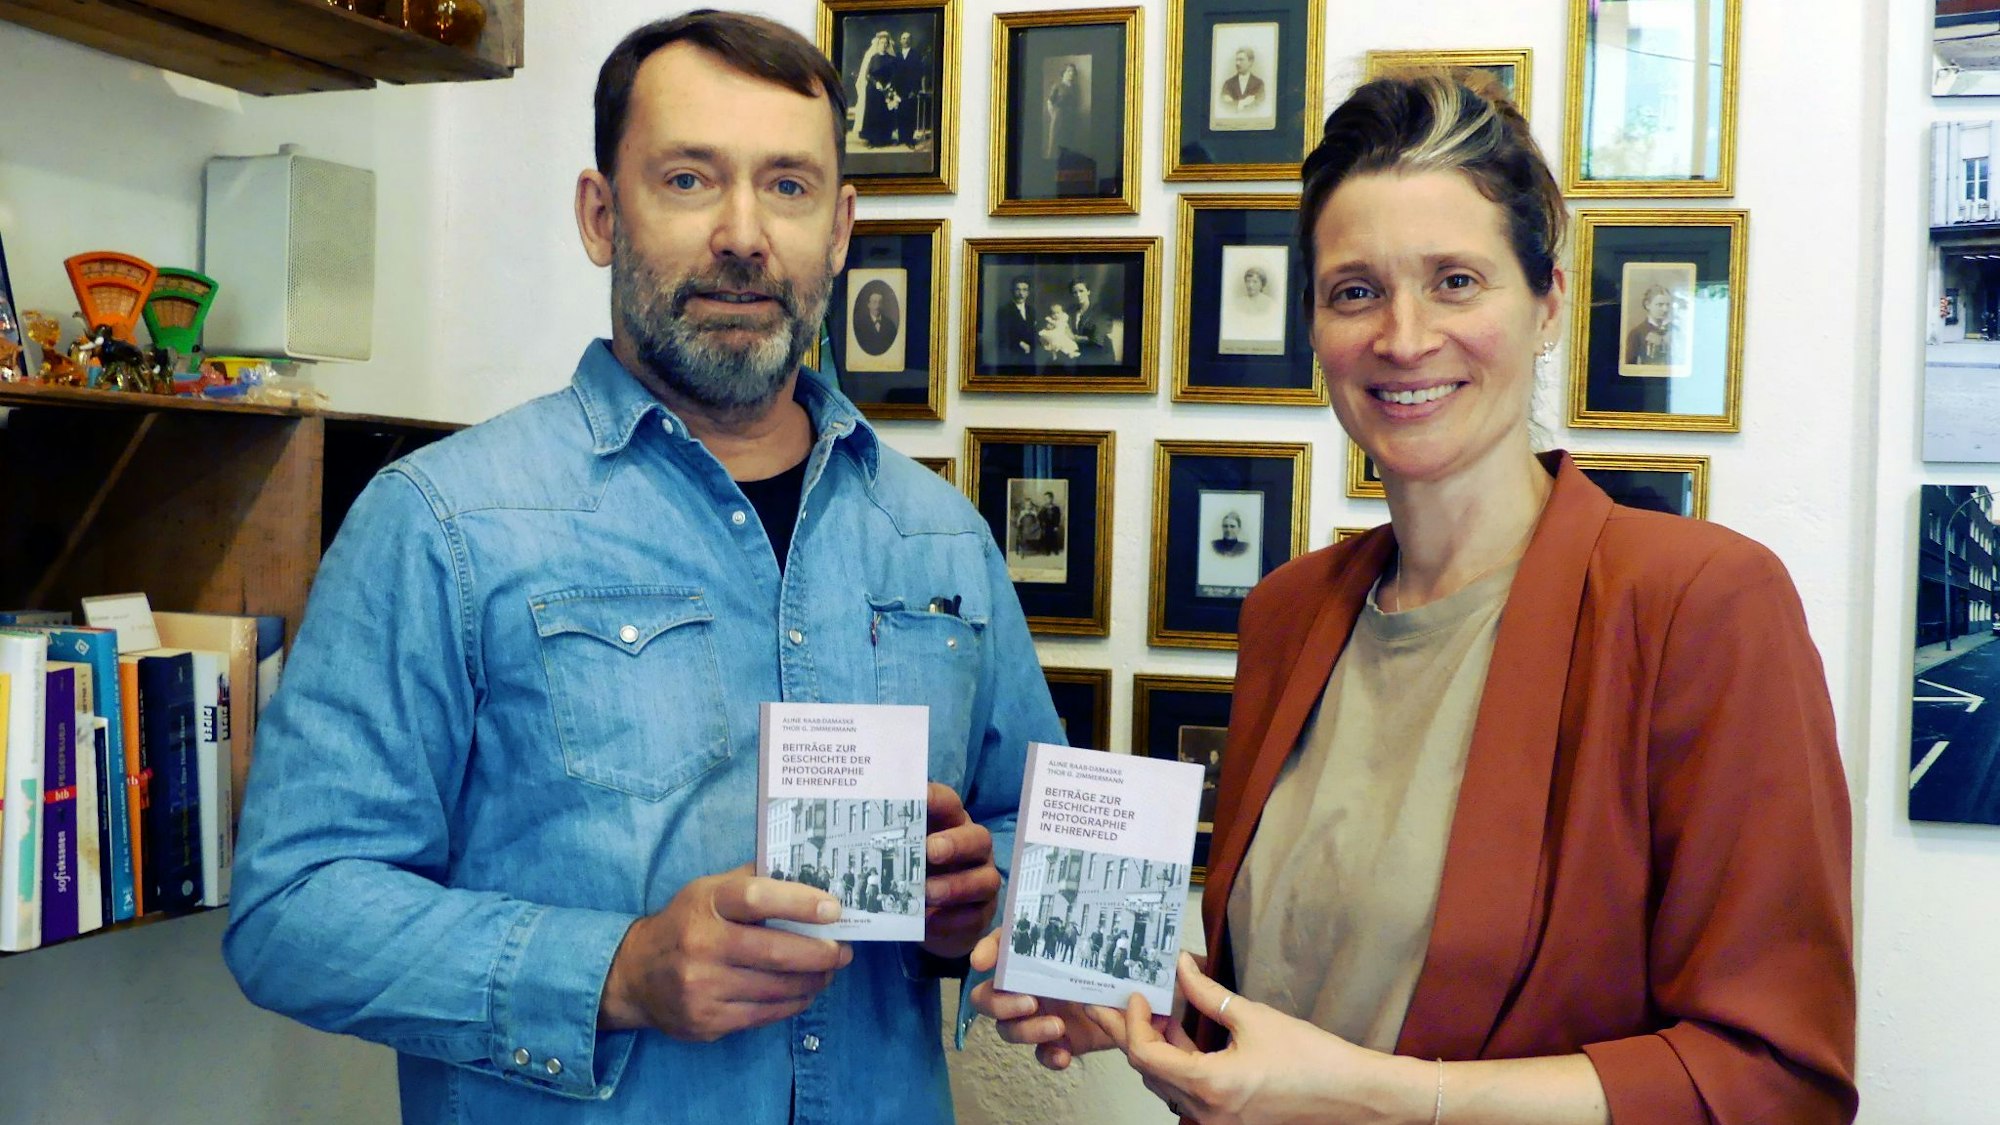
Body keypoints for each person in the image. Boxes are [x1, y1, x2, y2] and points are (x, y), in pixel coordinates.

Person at [223, 12, 1060, 1125]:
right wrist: (612, 971)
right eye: (687, 179)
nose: (744, 235)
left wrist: (983, 902)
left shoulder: (940, 537)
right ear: (600, 214)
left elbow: (1029, 832)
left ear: (841, 228)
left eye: (789, 188)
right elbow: (290, 911)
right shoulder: (440, 521)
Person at [972, 71, 1856, 1124]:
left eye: (1453, 281)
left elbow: (1775, 1082)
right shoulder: (1290, 614)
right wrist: (1156, 1012)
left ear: (1547, 304)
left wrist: (1387, 1101)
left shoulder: (1700, 605)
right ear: (1312, 325)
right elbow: (1311, 1007)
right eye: (1355, 290)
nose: (1401, 337)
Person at [854, 29, 900, 148]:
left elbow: (895, 74)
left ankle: (884, 138)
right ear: (878, 44)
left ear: (888, 45)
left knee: (885, 114)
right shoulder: (873, 57)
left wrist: (890, 84)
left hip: (887, 89)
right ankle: (872, 140)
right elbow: (868, 74)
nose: (884, 45)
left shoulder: (891, 59)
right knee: (873, 113)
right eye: (882, 43)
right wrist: (876, 83)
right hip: (874, 89)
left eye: (886, 43)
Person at [1624, 283, 1677, 367]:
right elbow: (1629, 366)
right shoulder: (1637, 333)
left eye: (1668, 305)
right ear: (1647, 305)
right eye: (1660, 305)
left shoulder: (1676, 332)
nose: (1665, 309)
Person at [1044, 61, 1083, 162]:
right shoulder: (1057, 86)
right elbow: (1050, 101)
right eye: (1069, 71)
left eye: (1073, 72)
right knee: (1055, 142)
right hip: (1059, 118)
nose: (1071, 74)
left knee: (1069, 142)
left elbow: (1077, 104)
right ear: (1063, 73)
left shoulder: (1075, 88)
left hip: (1071, 119)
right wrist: (1054, 115)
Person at [1068, 279, 1112, 363]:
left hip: (1100, 353)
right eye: (1075, 292)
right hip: (1080, 352)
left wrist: (1074, 338)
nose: (1078, 295)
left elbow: (1096, 339)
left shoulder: (1099, 311)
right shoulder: (1071, 312)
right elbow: (1066, 330)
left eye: (1081, 291)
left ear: (1088, 291)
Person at [851, 281, 898, 357]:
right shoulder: (860, 325)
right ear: (869, 305)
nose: (877, 306)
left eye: (880, 302)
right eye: (874, 302)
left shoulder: (890, 325)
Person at [996, 276, 1037, 363]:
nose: (1021, 293)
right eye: (1017, 289)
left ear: (1028, 293)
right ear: (1012, 291)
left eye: (1024, 290)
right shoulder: (1004, 310)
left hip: (1030, 357)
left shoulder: (1031, 310)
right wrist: (1020, 344)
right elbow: (1003, 335)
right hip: (1012, 356)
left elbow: (1034, 332)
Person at [1218, 47, 1265, 115]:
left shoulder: (1259, 83)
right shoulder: (1228, 84)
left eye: (1241, 60)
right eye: (1236, 60)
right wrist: (1243, 103)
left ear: (1250, 62)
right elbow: (1224, 105)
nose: (1237, 63)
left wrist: (1235, 103)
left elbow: (1259, 105)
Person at [1037, 490, 1064, 556]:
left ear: (1052, 498)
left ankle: (1055, 550)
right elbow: (1039, 516)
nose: (1046, 500)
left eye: (1047, 498)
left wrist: (1056, 526)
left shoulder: (1056, 508)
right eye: (1045, 499)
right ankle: (1047, 551)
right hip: (1046, 525)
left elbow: (1058, 517)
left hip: (1053, 525)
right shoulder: (1043, 508)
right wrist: (1042, 522)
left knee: (1054, 537)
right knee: (1046, 538)